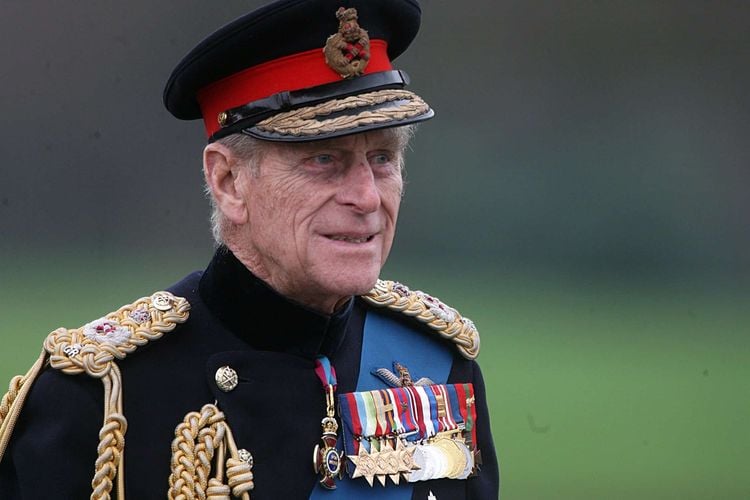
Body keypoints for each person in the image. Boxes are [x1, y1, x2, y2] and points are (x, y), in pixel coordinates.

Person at [0, 0, 499, 498]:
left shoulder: (438, 368)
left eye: (383, 158)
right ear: (228, 180)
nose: (367, 197)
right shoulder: (101, 396)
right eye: (324, 159)